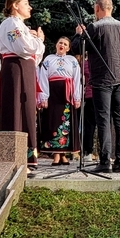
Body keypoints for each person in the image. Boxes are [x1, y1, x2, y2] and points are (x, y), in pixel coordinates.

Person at [72, 0, 120, 173]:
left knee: (104, 120)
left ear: (97, 8)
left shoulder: (95, 26)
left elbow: (77, 48)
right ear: (111, 8)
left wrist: (78, 33)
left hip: (102, 79)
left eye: (94, 9)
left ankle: (105, 162)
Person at [0, 0, 45, 174]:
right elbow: (23, 47)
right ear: (15, 6)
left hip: (25, 67)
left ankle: (25, 159)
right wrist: (38, 40)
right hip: (15, 68)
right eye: (26, 3)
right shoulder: (11, 24)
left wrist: (35, 42)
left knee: (26, 109)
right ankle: (14, 160)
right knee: (15, 109)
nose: (30, 7)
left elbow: (34, 55)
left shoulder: (20, 26)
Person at [37, 37, 82, 165]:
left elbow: (76, 79)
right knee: (53, 121)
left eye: (65, 44)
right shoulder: (48, 59)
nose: (62, 45)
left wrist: (76, 97)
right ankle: (56, 154)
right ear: (56, 45)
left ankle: (63, 154)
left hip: (66, 94)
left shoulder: (72, 61)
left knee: (66, 122)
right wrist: (44, 97)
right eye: (60, 42)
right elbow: (43, 78)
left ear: (68, 48)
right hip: (53, 93)